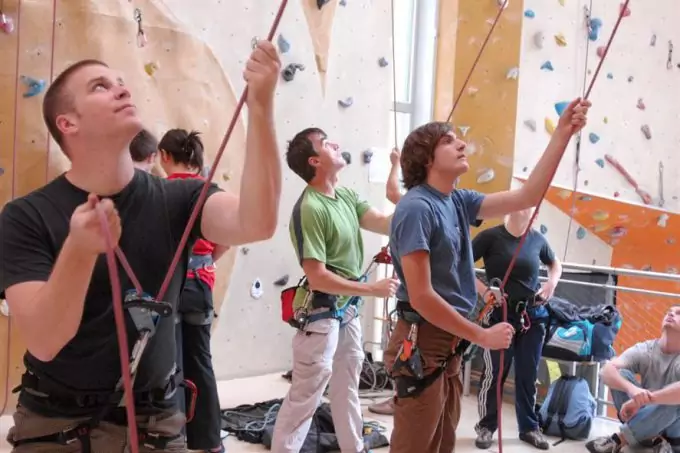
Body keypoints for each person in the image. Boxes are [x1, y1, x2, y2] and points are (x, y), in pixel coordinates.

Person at [0, 40, 281, 453]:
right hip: (56, 424)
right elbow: (44, 340)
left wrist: (261, 106)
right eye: (100, 86)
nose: (122, 89)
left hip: (155, 423)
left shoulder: (178, 199)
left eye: (120, 82)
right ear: (67, 123)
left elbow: (257, 221)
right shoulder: (25, 217)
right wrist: (79, 251)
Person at [384, 97, 590, 453]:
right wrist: (481, 335)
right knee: (416, 446)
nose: (462, 143)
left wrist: (562, 134)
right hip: (425, 340)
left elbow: (529, 194)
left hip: (446, 343)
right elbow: (421, 296)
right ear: (426, 159)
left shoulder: (457, 200)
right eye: (448, 141)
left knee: (440, 442)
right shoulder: (417, 207)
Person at [270, 127, 400, 453]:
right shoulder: (310, 208)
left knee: (347, 391)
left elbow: (386, 223)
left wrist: (400, 171)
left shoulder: (346, 196)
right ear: (315, 160)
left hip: (347, 312)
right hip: (321, 315)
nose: (336, 144)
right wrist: (372, 288)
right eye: (327, 143)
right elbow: (318, 277)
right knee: (305, 397)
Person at [156, 128, 230, 453]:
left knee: (169, 362)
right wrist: (205, 258)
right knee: (201, 360)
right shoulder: (210, 191)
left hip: (169, 285)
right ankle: (211, 441)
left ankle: (175, 437)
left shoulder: (157, 191)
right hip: (200, 284)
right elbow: (226, 238)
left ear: (164, 157)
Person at [472, 208, 563, 450]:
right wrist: (484, 291)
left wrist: (551, 283)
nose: (528, 208)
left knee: (528, 373)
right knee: (495, 373)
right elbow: (461, 265)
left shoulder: (537, 240)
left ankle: (529, 428)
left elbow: (555, 263)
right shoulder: (490, 237)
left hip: (532, 316)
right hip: (501, 314)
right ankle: (486, 426)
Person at [585, 305, 680, 453]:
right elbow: (606, 371)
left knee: (674, 400)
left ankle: (620, 439)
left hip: (675, 432)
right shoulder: (646, 349)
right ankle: (651, 437)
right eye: (669, 312)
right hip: (646, 424)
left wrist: (649, 399)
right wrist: (633, 391)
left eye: (678, 313)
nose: (671, 314)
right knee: (621, 373)